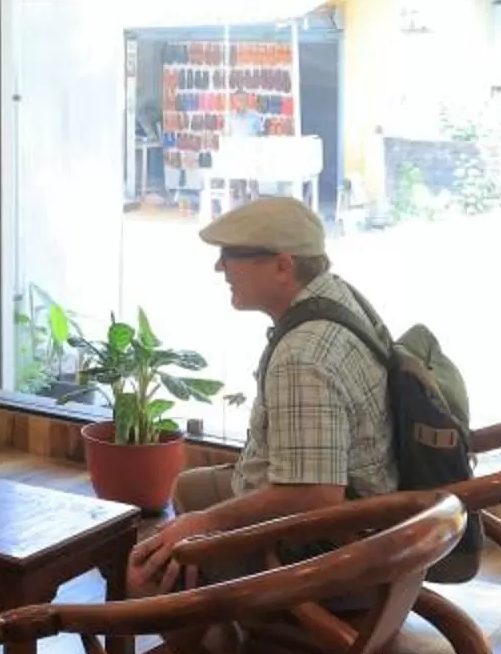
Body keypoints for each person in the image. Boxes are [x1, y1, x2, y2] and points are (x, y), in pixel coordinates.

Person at [126, 195, 393, 592]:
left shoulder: (302, 356)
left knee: (144, 569)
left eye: (231, 254)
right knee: (188, 488)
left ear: (282, 266)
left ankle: (201, 639)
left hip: (331, 552)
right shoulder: (336, 296)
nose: (220, 267)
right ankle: (214, 615)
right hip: (376, 519)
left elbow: (316, 496)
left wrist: (202, 525)